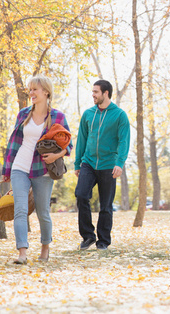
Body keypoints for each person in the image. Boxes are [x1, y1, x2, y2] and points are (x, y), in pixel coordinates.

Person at [1, 75, 72, 264]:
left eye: (35, 89)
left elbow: (68, 145)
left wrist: (56, 156)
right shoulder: (24, 114)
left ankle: (45, 247)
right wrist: (7, 170)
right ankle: (22, 253)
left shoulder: (57, 116)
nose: (31, 93)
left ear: (46, 92)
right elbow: (14, 143)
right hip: (20, 167)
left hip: (43, 170)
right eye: (30, 89)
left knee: (43, 213)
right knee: (20, 210)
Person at [74, 80, 130, 250]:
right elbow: (81, 139)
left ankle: (103, 241)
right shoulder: (88, 114)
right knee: (81, 195)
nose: (93, 95)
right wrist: (78, 163)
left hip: (108, 165)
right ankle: (88, 236)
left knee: (106, 206)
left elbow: (124, 141)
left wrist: (119, 163)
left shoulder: (119, 115)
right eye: (92, 92)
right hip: (88, 163)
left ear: (106, 93)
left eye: (96, 92)